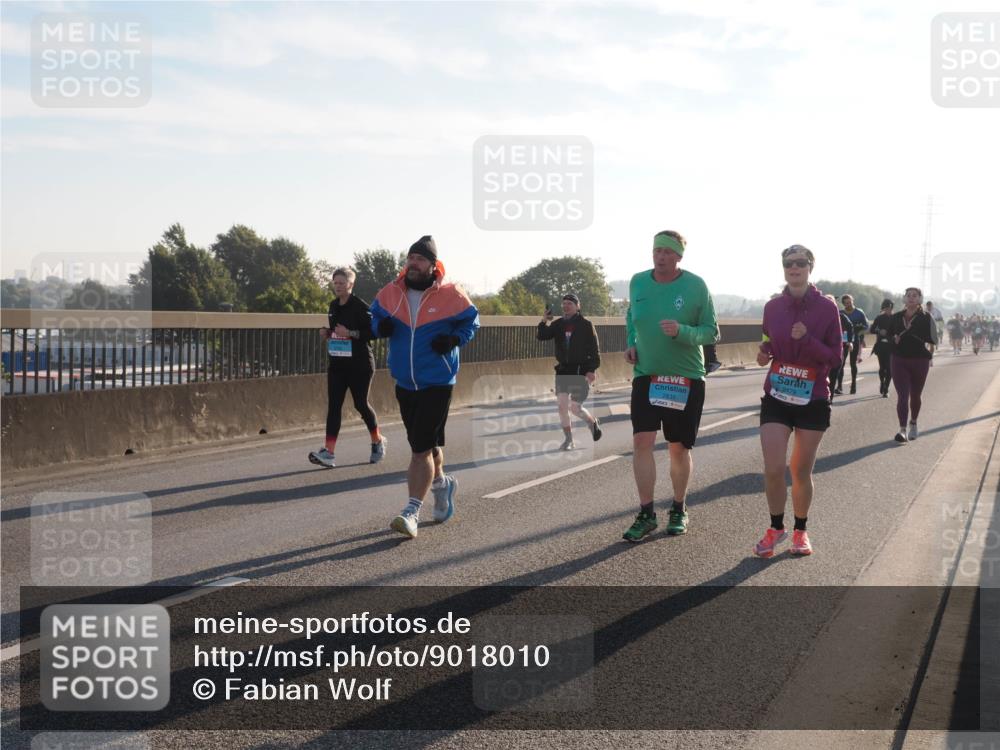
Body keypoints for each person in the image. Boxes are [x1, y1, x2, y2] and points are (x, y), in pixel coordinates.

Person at [370, 236, 479, 538]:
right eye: (410, 258)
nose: (412, 263)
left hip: (438, 381)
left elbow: (472, 322)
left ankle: (411, 512)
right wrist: (381, 327)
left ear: (432, 264)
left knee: (419, 451)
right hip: (405, 381)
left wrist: (454, 339)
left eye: (419, 259)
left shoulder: (451, 294)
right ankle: (443, 484)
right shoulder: (391, 292)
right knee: (428, 446)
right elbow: (374, 317)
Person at [621, 230, 719, 542]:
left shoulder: (695, 285)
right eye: (656, 250)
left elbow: (711, 331)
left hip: (685, 378)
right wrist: (631, 342)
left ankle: (678, 507)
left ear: (678, 256)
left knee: (678, 448)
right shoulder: (638, 281)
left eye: (667, 251)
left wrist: (682, 332)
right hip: (647, 375)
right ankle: (646, 513)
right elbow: (630, 317)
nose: (660, 256)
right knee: (642, 443)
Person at [753, 246, 842, 557]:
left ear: (810, 267)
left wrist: (807, 340)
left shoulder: (827, 308)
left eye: (800, 263)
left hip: (813, 396)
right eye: (789, 263)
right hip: (777, 394)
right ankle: (775, 528)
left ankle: (800, 531)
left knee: (800, 471)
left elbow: (835, 357)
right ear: (783, 268)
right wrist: (764, 354)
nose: (794, 268)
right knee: (774, 467)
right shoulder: (772, 307)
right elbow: (767, 340)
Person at [309, 267, 385, 468]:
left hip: (360, 364)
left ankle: (377, 441)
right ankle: (329, 452)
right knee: (334, 406)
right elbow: (338, 331)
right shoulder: (333, 305)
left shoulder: (361, 307)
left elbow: (375, 333)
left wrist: (350, 333)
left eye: (342, 283)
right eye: (335, 283)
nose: (338, 286)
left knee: (361, 404)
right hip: (338, 364)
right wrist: (329, 333)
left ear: (351, 284)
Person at [537, 293, 602, 450]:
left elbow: (594, 349)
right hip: (563, 371)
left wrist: (592, 370)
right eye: (564, 303)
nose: (566, 306)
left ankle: (592, 423)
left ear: (577, 306)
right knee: (562, 406)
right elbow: (542, 336)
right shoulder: (558, 324)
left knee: (575, 408)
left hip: (580, 370)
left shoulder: (586, 324)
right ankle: (569, 440)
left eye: (570, 304)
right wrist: (544, 320)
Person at [889, 287, 934, 443]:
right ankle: (902, 430)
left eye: (915, 296)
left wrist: (912, 333)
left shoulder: (926, 317)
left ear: (920, 299)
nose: (911, 298)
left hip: (920, 360)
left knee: (915, 395)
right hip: (899, 359)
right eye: (908, 295)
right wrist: (893, 338)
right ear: (904, 299)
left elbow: (932, 338)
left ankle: (913, 423)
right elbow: (887, 335)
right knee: (902, 396)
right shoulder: (896, 317)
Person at [840, 294, 868, 394]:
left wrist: (857, 334)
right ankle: (839, 387)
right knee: (841, 363)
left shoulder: (859, 313)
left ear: (853, 300)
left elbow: (866, 326)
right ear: (843, 304)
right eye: (846, 303)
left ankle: (853, 386)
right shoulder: (841, 313)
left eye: (850, 302)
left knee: (853, 363)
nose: (849, 304)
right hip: (843, 341)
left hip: (855, 340)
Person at [869, 299, 895, 398]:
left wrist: (891, 335)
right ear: (883, 309)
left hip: (891, 346)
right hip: (880, 346)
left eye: (889, 308)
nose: (888, 310)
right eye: (886, 308)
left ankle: (886, 389)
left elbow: (898, 330)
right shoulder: (879, 318)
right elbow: (872, 329)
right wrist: (879, 331)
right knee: (882, 368)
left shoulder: (895, 318)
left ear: (892, 308)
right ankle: (882, 382)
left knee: (890, 368)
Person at [829, 304, 854, 398]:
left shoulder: (841, 316)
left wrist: (849, 341)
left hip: (841, 345)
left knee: (839, 366)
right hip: (825, 346)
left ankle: (838, 386)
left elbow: (850, 326)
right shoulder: (821, 314)